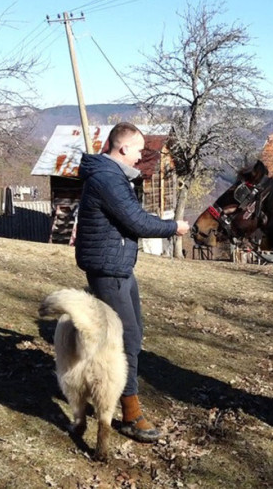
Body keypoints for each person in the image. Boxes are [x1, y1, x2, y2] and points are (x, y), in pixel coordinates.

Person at [74, 122, 190, 443]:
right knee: (125, 340)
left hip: (119, 266)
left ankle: (98, 386)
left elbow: (130, 218)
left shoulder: (114, 176)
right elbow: (136, 222)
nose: (140, 157)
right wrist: (173, 227)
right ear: (123, 148)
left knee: (131, 334)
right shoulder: (108, 179)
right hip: (109, 269)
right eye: (138, 150)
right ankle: (130, 414)